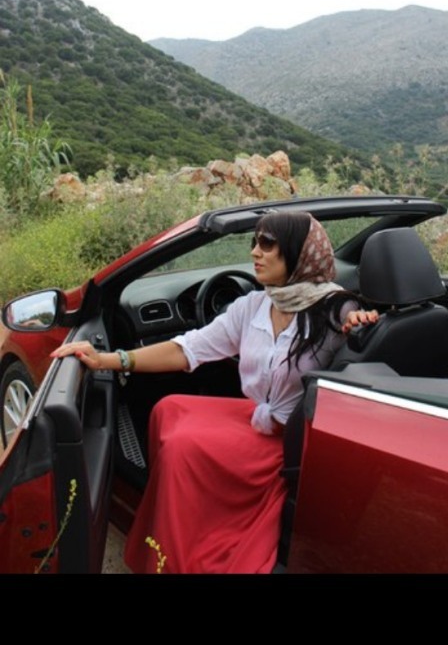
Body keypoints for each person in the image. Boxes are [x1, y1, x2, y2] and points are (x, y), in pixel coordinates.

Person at [51, 211, 378, 573]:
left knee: (182, 447)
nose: (255, 252)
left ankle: (175, 557)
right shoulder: (255, 305)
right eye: (254, 242)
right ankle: (177, 521)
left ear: (298, 253)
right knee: (168, 408)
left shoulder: (336, 309)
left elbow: (360, 343)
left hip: (290, 440)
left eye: (267, 244)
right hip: (258, 416)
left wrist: (360, 323)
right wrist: (109, 360)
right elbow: (188, 349)